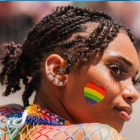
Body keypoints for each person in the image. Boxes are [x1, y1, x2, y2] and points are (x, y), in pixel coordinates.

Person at [0, 5, 139, 140]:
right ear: (58, 71)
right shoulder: (97, 136)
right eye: (116, 69)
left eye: (133, 80)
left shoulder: (6, 120)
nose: (133, 93)